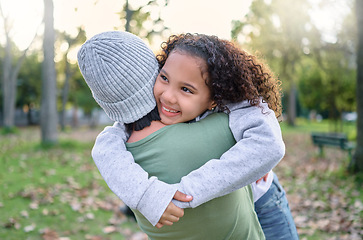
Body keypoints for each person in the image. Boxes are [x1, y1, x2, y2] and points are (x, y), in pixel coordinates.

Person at [78, 31, 299, 239]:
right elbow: (106, 149)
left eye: (186, 90)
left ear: (215, 97)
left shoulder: (233, 108)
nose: (168, 96)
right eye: (164, 78)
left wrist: (185, 191)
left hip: (264, 199)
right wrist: (148, 196)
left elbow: (268, 144)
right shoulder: (127, 128)